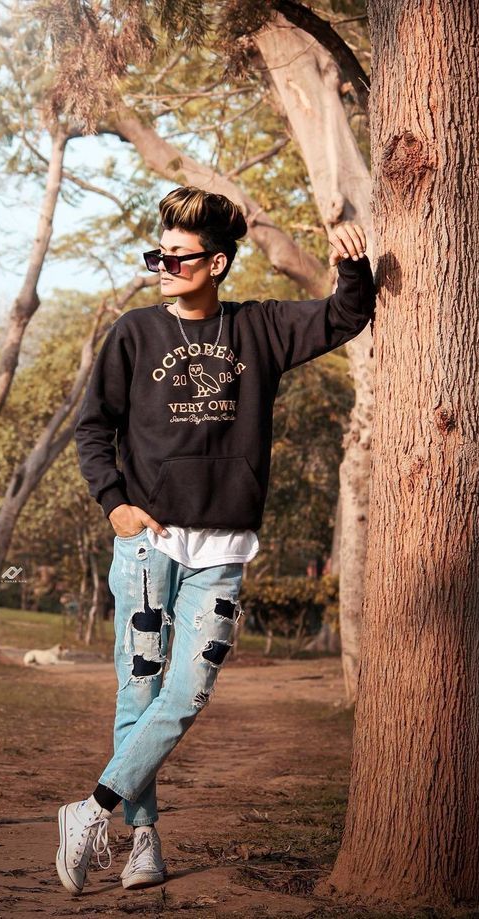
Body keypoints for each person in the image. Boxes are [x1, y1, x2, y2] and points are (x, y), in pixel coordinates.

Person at [56, 186, 376, 895]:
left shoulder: (259, 329)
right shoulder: (135, 334)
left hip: (224, 549)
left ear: (219, 261)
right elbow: (92, 427)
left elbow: (345, 314)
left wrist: (352, 266)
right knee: (138, 687)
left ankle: (91, 809)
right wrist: (115, 505)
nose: (163, 266)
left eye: (177, 256)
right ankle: (142, 842)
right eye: (158, 254)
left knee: (188, 690)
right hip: (148, 543)